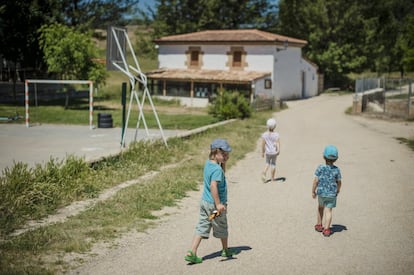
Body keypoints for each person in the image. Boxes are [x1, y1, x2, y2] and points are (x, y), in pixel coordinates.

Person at [185, 138, 238, 264]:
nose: (226, 157)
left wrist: (223, 163)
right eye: (224, 154)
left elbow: (215, 179)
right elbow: (214, 186)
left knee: (203, 225)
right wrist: (219, 204)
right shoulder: (217, 170)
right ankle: (225, 250)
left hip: (205, 203)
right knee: (221, 225)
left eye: (227, 154)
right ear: (215, 153)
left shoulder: (208, 164)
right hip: (215, 207)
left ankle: (192, 251)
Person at [312, 145, 342, 237]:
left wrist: (313, 191)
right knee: (328, 211)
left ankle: (319, 225)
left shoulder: (320, 168)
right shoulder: (337, 170)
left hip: (321, 193)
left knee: (320, 207)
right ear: (336, 158)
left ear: (323, 156)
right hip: (332, 194)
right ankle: (326, 229)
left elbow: (315, 181)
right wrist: (337, 190)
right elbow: (339, 182)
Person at [261, 118, 280, 182]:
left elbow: (263, 144)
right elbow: (277, 143)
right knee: (273, 164)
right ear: (275, 126)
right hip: (274, 152)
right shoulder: (276, 135)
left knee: (267, 163)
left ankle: (264, 172)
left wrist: (263, 152)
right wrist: (278, 150)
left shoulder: (264, 135)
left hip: (268, 152)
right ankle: (272, 178)